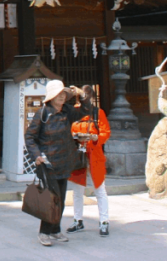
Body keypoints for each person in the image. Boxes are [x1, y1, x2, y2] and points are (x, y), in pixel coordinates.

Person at [25, 79, 93, 247]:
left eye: (64, 94)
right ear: (51, 97)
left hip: (64, 161)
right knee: (52, 199)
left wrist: (82, 95)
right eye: (59, 94)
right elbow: (30, 137)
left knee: (61, 199)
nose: (62, 97)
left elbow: (86, 110)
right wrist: (37, 155)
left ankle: (55, 230)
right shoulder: (43, 113)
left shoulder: (67, 111)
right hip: (47, 163)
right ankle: (44, 232)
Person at [66, 86, 111, 237]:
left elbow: (105, 132)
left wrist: (97, 138)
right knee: (77, 191)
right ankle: (78, 220)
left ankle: (104, 221)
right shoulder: (75, 111)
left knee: (99, 189)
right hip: (79, 154)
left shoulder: (98, 113)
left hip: (94, 154)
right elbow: (68, 130)